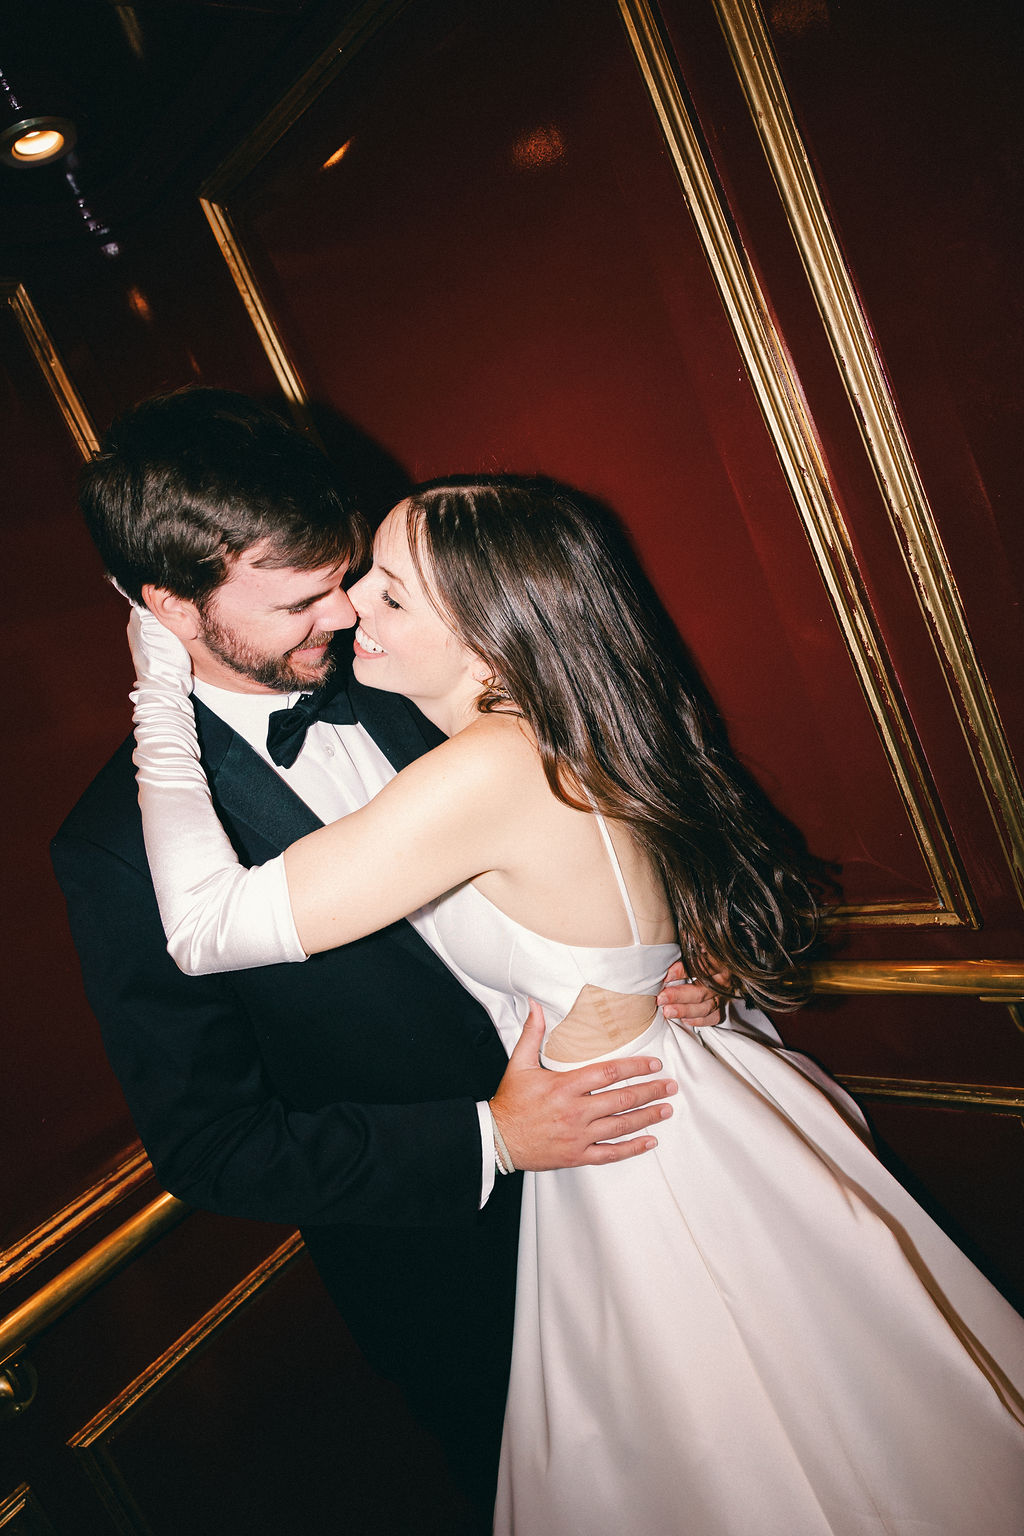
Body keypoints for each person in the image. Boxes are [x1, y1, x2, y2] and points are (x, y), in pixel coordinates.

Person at [126, 471, 1024, 1534]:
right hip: (671, 1096)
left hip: (637, 1154)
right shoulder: (561, 724)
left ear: (495, 639)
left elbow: (203, 929)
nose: (350, 602)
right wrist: (678, 966)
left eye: (391, 592)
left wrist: (154, 692)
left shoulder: (492, 767)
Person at [51, 392, 715, 1527]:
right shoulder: (117, 849)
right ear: (169, 606)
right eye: (302, 598)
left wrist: (651, 963)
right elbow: (212, 1147)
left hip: (654, 1176)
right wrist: (490, 1139)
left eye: (351, 574)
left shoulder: (416, 675)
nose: (347, 614)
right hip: (452, 1274)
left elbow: (590, 833)